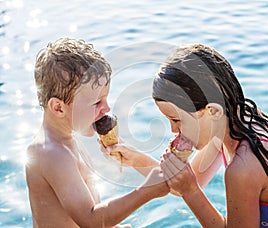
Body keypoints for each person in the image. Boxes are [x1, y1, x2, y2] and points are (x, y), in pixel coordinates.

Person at [105, 44, 268, 227]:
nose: (173, 130)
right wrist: (137, 160)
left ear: (212, 111)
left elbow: (189, 186)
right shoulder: (237, 125)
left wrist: (191, 191)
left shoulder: (244, 167)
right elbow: (181, 184)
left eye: (176, 119)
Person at [25, 37, 169, 228]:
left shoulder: (67, 140)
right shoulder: (50, 153)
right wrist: (146, 191)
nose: (107, 108)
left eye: (106, 99)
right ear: (59, 108)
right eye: (97, 103)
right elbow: (90, 220)